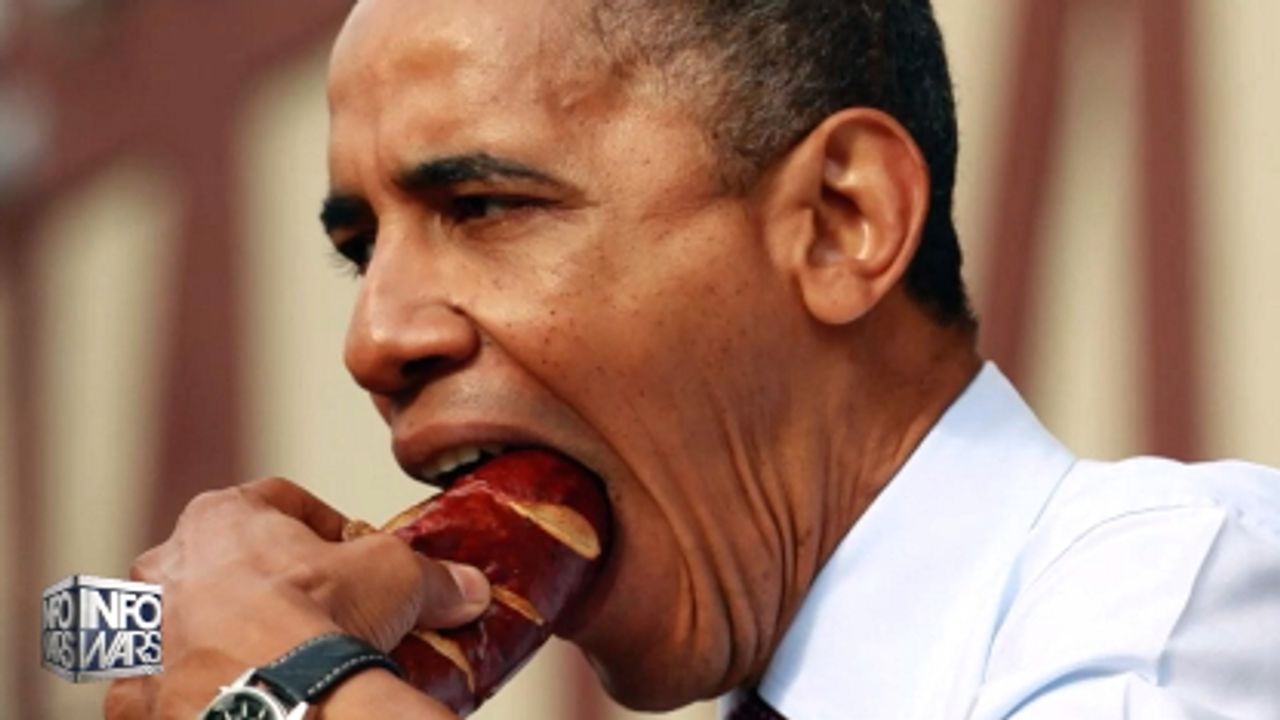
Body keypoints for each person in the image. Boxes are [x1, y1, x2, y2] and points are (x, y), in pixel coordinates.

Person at [106, 0, 1280, 717]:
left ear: (839, 220)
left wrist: (287, 697)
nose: (375, 340)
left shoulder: (1179, 604)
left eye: (484, 205)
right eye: (360, 252)